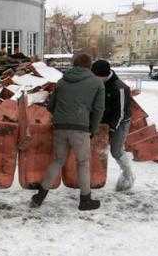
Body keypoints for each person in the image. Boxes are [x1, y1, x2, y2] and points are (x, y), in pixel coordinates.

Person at [30, 53, 105, 211]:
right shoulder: (97, 83)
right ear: (89, 65)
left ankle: (39, 197)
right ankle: (85, 200)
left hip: (60, 127)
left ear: (73, 64)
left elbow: (51, 106)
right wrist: (93, 128)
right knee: (83, 162)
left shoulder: (62, 81)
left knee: (58, 160)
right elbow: (99, 109)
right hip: (80, 128)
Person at [91, 60, 135, 191]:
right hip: (102, 120)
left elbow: (120, 113)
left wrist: (110, 129)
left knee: (116, 151)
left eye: (96, 76)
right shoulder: (98, 82)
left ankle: (128, 176)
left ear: (104, 75)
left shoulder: (120, 88)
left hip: (120, 122)